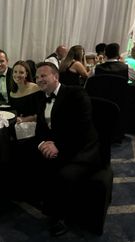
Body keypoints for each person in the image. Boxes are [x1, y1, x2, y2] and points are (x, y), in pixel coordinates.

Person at [33, 62, 101, 237]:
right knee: (31, 158)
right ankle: (47, 204)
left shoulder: (76, 93)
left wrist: (59, 146)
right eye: (37, 77)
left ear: (56, 77)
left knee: (64, 174)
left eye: (43, 76)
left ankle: (62, 217)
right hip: (56, 143)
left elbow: (82, 129)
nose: (39, 79)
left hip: (82, 148)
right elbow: (40, 129)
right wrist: (42, 145)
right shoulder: (41, 98)